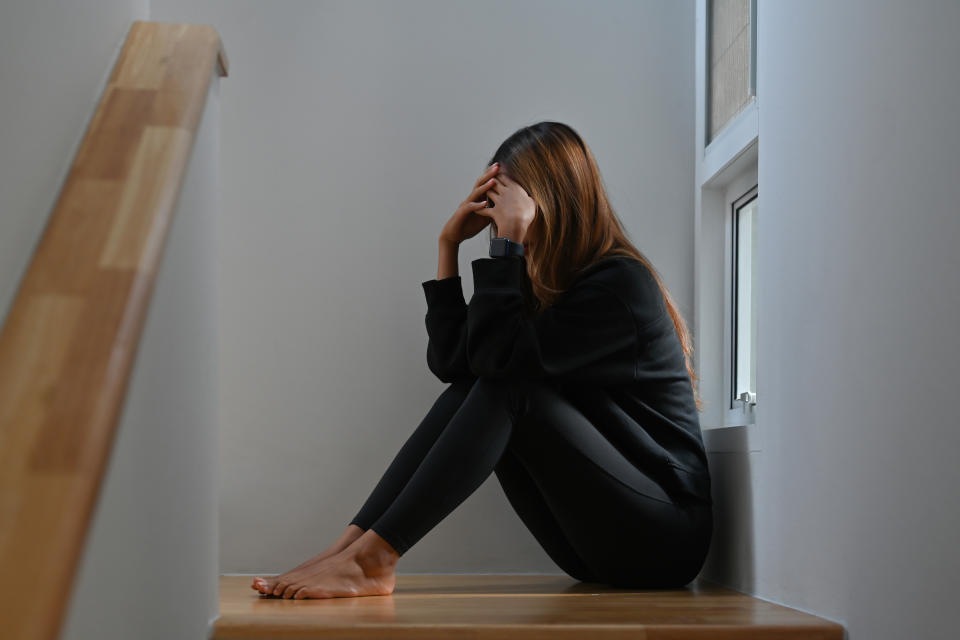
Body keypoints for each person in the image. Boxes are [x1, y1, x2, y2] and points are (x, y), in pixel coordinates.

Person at [251, 121, 713, 600]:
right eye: (496, 216)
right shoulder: (549, 287)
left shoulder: (620, 286)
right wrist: (447, 248)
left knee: (509, 387)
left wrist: (506, 247)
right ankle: (348, 551)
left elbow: (497, 367)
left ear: (550, 205)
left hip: (665, 539)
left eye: (511, 213)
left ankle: (373, 561)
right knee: (480, 387)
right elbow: (457, 366)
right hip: (593, 548)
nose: (500, 226)